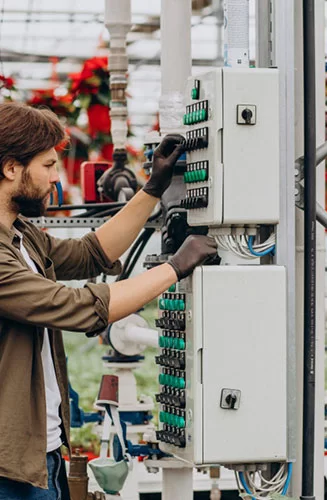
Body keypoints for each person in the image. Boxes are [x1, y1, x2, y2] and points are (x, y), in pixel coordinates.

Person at [0, 102, 217, 499]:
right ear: (11, 168)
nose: (56, 177)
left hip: (40, 454)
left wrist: (153, 188)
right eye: (48, 165)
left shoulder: (21, 235)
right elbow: (77, 307)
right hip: (7, 468)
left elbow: (90, 252)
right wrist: (175, 267)